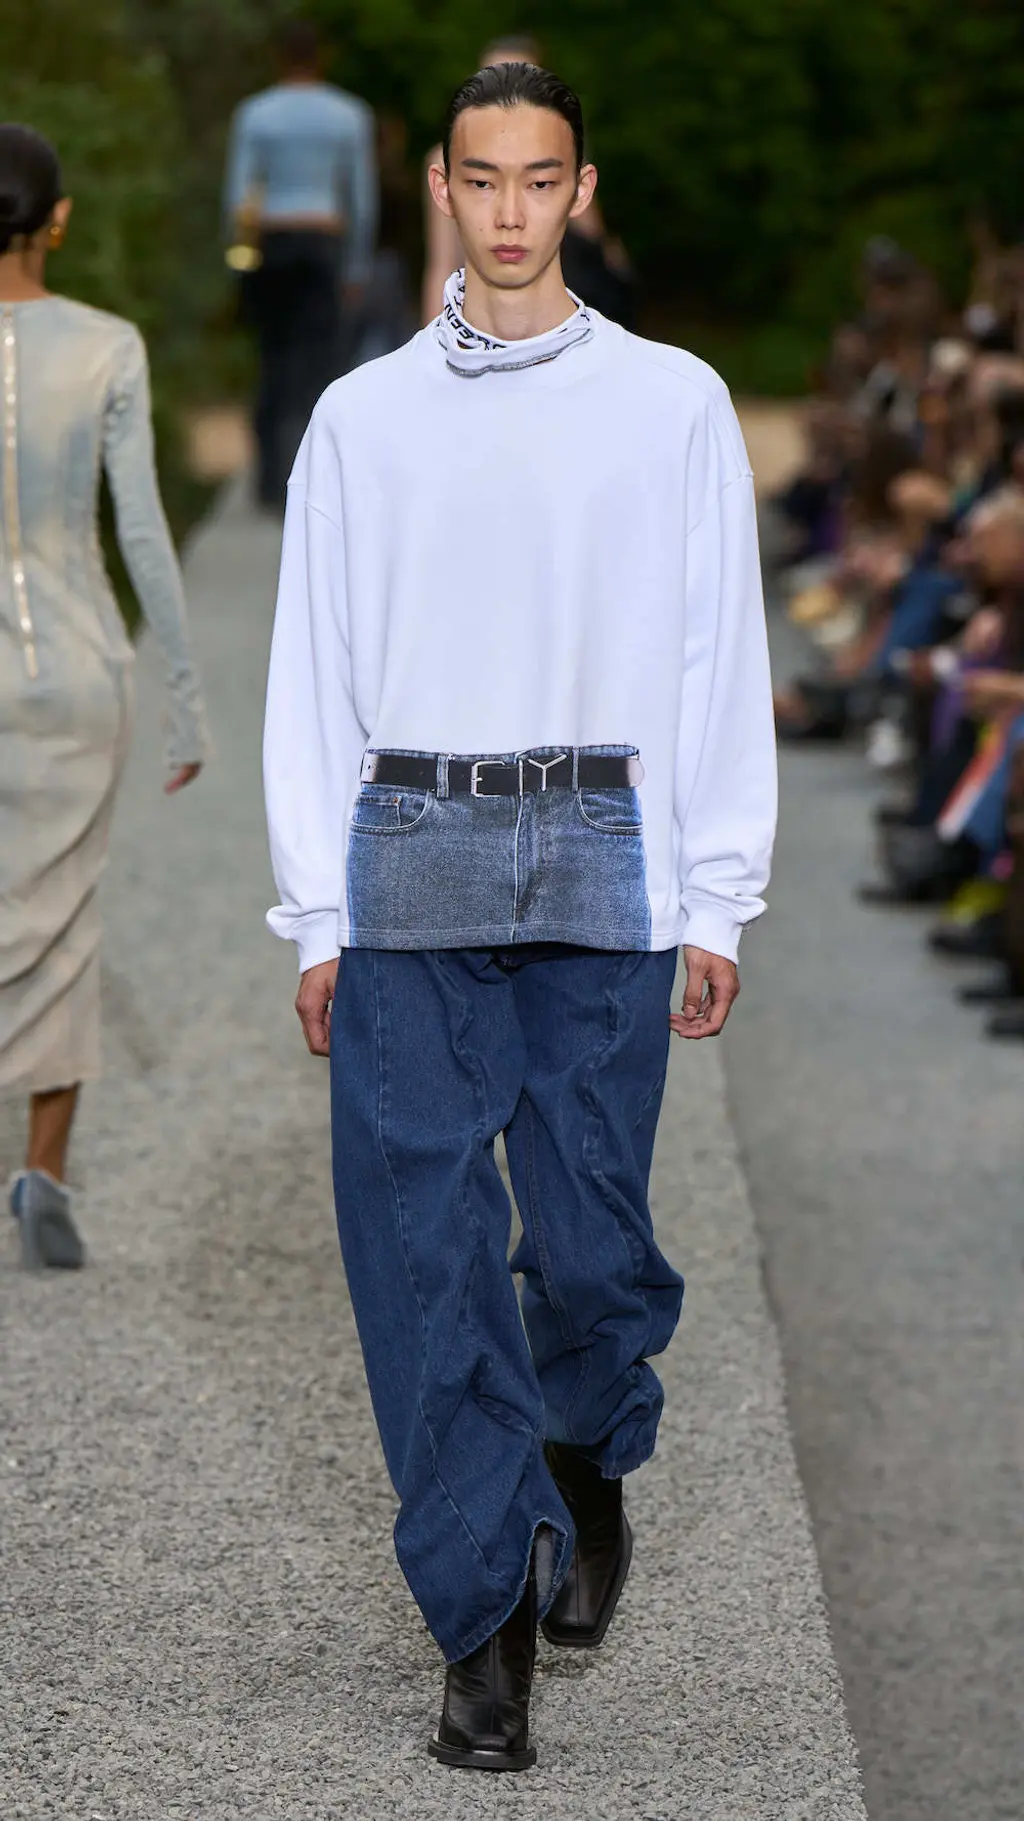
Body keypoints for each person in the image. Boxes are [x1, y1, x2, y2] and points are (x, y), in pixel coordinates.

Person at [263, 63, 775, 1771]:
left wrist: (720, 890)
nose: (507, 210)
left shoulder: (672, 402)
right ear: (438, 186)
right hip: (410, 839)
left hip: (605, 843)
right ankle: (481, 1618)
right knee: (420, 1248)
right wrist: (314, 916)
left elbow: (715, 652)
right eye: (479, 178)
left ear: (579, 190)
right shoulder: (362, 419)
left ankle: (582, 1447)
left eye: (537, 179)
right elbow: (313, 674)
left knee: (588, 1238)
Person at [0, 125, 209, 1269]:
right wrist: (185, 692)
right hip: (78, 668)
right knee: (67, 916)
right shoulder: (106, 346)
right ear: (60, 220)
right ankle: (43, 1170)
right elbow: (139, 531)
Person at [223, 18, 377, 507]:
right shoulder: (348, 115)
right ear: (321, 58)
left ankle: (270, 481)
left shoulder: (256, 114)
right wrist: (357, 266)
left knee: (272, 358)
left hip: (271, 241)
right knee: (320, 362)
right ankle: (316, 477)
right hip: (323, 238)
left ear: (279, 58)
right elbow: (361, 199)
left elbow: (238, 196)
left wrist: (238, 259)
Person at [420, 36, 636, 328]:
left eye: (540, 183)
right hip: (477, 315)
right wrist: (435, 337)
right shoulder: (447, 159)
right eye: (481, 183)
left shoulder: (561, 148)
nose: (510, 216)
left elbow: (590, 231)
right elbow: (441, 261)